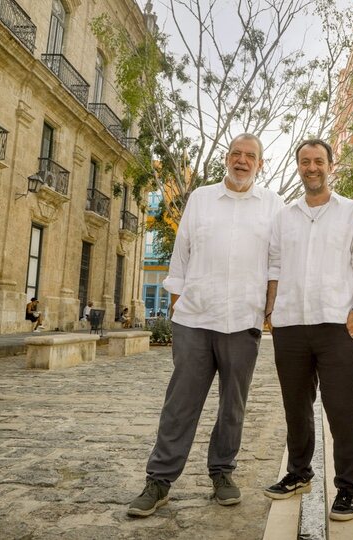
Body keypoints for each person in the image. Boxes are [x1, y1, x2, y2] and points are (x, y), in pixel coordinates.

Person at [127, 133, 284, 517]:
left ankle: (222, 473)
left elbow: (277, 262)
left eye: (250, 156)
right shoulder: (200, 199)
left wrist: (268, 310)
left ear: (260, 164)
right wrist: (179, 303)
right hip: (196, 318)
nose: (242, 160)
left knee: (233, 405)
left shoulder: (273, 205)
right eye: (236, 154)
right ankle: (160, 479)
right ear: (226, 159)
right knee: (180, 404)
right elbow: (181, 254)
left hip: (243, 320)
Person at [262, 139, 353, 521]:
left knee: (342, 407)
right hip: (290, 323)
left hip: (336, 324)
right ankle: (298, 473)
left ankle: (348, 488)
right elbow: (274, 266)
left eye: (319, 161)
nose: (312, 167)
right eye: (305, 161)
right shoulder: (283, 216)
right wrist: (271, 310)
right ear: (298, 166)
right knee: (296, 405)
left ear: (330, 165)